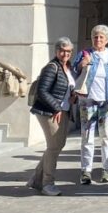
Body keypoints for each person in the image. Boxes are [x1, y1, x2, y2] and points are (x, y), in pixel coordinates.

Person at [73, 25, 108, 185]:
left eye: (101, 37)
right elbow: (74, 71)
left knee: (106, 137)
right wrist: (83, 64)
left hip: (107, 101)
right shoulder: (84, 54)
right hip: (88, 101)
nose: (98, 39)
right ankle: (86, 171)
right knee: (87, 136)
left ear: (107, 40)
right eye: (95, 36)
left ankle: (106, 169)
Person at [27, 37, 77, 196]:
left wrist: (73, 97)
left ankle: (36, 178)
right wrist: (56, 108)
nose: (65, 54)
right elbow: (43, 91)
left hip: (63, 111)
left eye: (68, 51)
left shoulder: (67, 67)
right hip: (49, 112)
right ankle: (47, 183)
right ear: (56, 51)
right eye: (62, 50)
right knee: (54, 147)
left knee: (57, 145)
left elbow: (66, 88)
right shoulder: (51, 67)